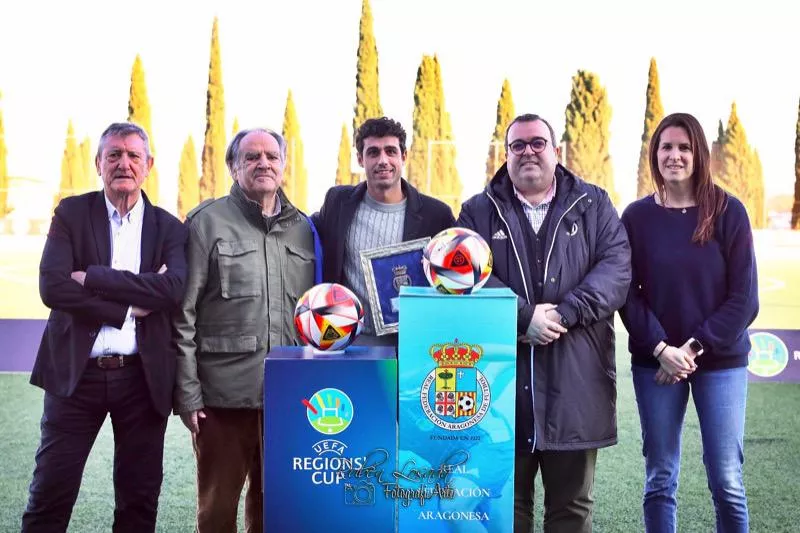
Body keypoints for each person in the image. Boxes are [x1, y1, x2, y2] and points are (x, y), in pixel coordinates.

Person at [457, 113, 631, 533]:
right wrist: (522, 316)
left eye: (538, 142)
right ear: (506, 155)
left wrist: (564, 313)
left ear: (557, 151)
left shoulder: (594, 204)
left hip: (576, 386)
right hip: (499, 393)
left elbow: (616, 270)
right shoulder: (478, 211)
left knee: (570, 511)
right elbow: (462, 275)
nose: (528, 151)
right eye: (518, 145)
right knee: (506, 509)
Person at [21, 122, 188, 532]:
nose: (123, 163)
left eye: (133, 155)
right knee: (50, 495)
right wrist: (129, 308)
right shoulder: (72, 213)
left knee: (139, 501)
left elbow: (172, 289)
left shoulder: (169, 227)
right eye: (113, 154)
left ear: (148, 165)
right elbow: (53, 287)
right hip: (77, 378)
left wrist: (94, 276)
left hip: (142, 379)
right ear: (98, 163)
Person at [173, 127, 320, 533]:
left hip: (289, 398)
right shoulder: (206, 223)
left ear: (284, 164)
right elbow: (182, 313)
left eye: (272, 156)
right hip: (222, 400)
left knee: (275, 510)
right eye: (252, 157)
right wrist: (188, 393)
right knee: (217, 512)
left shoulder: (304, 229)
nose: (263, 164)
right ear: (233, 166)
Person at [620, 112, 758, 533]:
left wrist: (691, 349)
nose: (674, 156)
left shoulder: (728, 211)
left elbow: (744, 300)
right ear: (654, 154)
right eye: (666, 147)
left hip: (720, 362)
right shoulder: (636, 217)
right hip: (656, 364)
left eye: (684, 147)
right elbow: (627, 293)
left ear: (698, 153)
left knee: (727, 481)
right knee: (660, 478)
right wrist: (662, 349)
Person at [314, 116, 455, 345]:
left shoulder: (436, 215)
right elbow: (305, 229)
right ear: (360, 158)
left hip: (414, 345)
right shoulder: (338, 203)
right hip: (351, 344)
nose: (383, 160)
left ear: (404, 156)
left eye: (390, 151)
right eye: (373, 152)